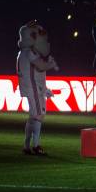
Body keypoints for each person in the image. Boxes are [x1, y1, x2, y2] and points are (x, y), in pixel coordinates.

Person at [16, 21, 58, 155]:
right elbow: (40, 67)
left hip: (32, 87)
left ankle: (26, 145)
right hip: (33, 88)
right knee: (39, 115)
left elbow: (36, 73)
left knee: (32, 116)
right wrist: (51, 64)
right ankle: (36, 145)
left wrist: (45, 89)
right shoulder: (29, 52)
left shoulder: (23, 52)